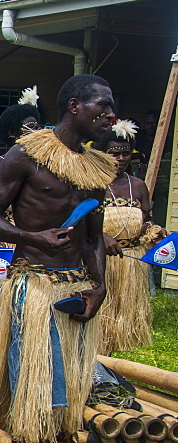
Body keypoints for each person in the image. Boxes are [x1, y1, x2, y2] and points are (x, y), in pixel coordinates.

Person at [0, 74, 117, 443]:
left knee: (64, 393)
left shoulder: (97, 168)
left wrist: (99, 286)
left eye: (113, 108)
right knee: (34, 391)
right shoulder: (28, 153)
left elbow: (94, 237)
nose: (111, 116)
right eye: (103, 106)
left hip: (74, 289)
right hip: (35, 287)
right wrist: (30, 236)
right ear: (75, 105)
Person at [96, 120, 163, 354]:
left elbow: (146, 222)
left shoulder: (139, 186)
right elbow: (75, 223)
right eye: (115, 154)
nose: (121, 159)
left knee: (122, 321)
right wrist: (100, 236)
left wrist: (154, 232)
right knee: (100, 319)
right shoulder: (92, 184)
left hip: (131, 264)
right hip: (101, 261)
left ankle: (112, 367)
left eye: (126, 153)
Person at [0, 87, 43, 194]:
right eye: (30, 128)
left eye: (37, 128)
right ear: (13, 133)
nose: (35, 133)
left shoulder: (42, 163)